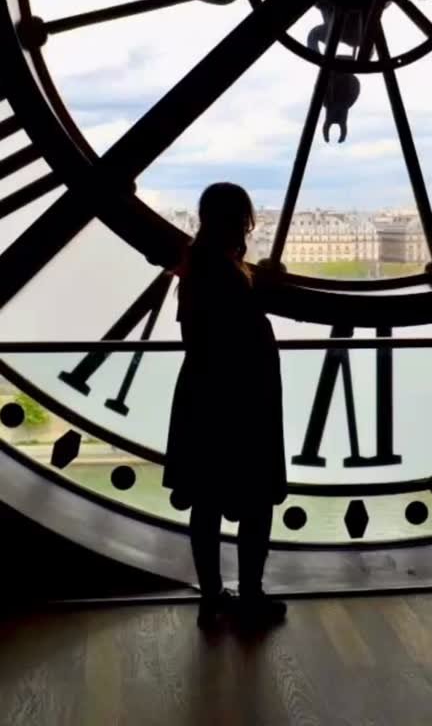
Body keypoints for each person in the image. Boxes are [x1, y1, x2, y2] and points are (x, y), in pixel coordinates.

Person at [163, 182, 287, 630]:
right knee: (255, 503)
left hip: (206, 396)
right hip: (245, 400)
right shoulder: (229, 272)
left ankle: (212, 594)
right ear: (242, 220)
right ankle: (250, 593)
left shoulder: (197, 267)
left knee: (207, 503)